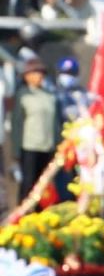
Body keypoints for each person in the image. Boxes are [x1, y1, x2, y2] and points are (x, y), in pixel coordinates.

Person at [9, 56, 58, 198]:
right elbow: (16, 125)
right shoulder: (23, 96)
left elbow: (55, 123)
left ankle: (43, 211)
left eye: (41, 72)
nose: (39, 76)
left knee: (46, 186)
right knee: (28, 184)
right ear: (27, 76)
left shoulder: (49, 96)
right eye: (36, 72)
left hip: (48, 147)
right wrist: (15, 151)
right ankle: (24, 211)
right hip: (30, 147)